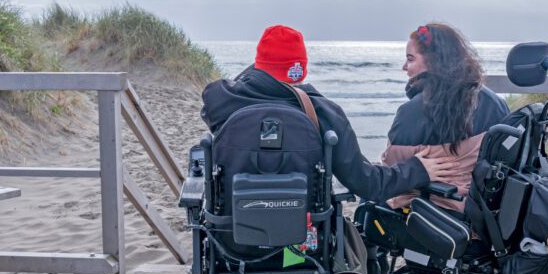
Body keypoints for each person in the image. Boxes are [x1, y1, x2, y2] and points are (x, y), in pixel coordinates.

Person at [200, 25, 455, 203]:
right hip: (300, 248)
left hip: (233, 246)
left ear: (258, 65)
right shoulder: (323, 113)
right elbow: (368, 184)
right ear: (300, 70)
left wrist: (257, 72)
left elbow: (250, 84)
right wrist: (417, 170)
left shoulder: (221, 102)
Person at [381, 23, 510, 211]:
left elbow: (391, 174)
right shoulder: (496, 103)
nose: (404, 67)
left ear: (433, 62)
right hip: (483, 212)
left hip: (432, 214)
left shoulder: (411, 112)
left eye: (410, 59)